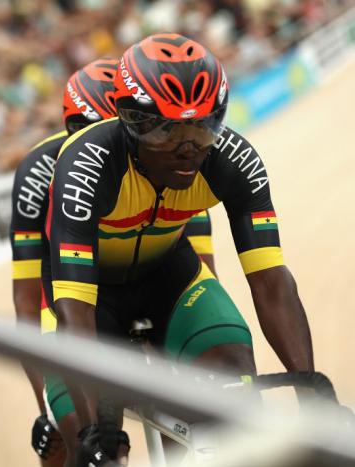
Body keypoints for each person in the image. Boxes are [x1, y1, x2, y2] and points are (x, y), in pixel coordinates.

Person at [42, 33, 313, 466]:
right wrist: (93, 431)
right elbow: (75, 306)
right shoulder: (88, 164)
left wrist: (311, 393)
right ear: (131, 121)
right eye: (168, 130)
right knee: (90, 447)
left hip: (170, 284)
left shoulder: (232, 161)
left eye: (205, 126)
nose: (188, 147)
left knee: (234, 394)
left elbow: (271, 280)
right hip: (89, 302)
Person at [11, 58, 216, 466]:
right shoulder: (40, 172)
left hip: (150, 283)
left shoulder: (169, 165)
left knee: (188, 402)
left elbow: (204, 270)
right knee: (74, 435)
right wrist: (45, 410)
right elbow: (27, 303)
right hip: (74, 296)